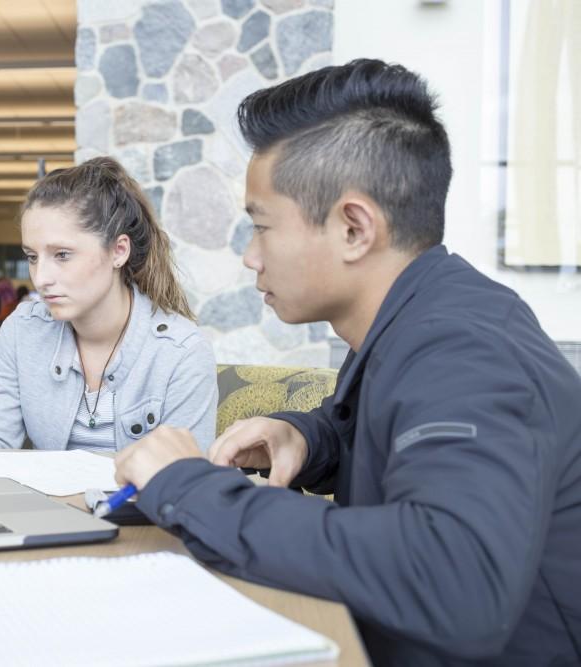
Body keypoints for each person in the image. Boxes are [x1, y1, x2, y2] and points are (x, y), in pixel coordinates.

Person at [112, 59, 581, 665]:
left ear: (355, 228)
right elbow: (397, 434)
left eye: (260, 227)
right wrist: (310, 439)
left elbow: (455, 582)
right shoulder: (418, 319)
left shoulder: (465, 349)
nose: (252, 257)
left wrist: (194, 490)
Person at [0, 156, 218, 453]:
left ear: (118, 251)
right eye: (32, 257)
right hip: (43, 523)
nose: (41, 279)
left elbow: (188, 485)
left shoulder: (182, 351)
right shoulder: (23, 331)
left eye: (62, 255)